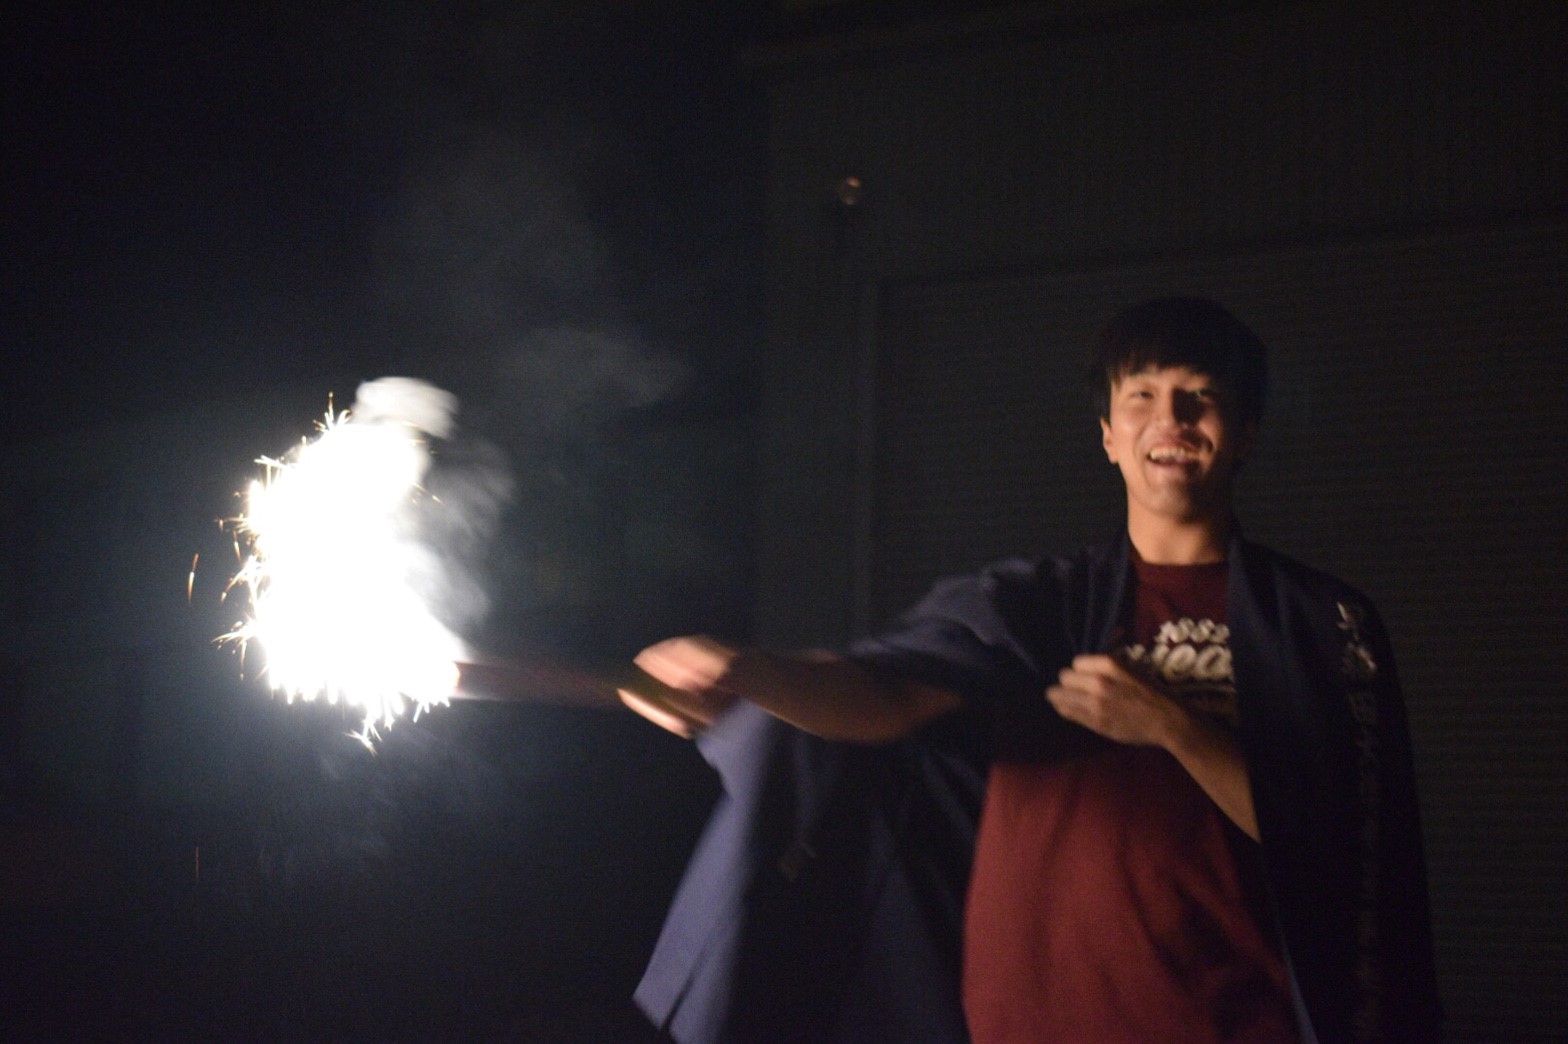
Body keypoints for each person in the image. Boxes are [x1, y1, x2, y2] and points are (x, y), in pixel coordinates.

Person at [621, 297, 1442, 1042]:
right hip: (1033, 1022)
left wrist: (1173, 728)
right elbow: (885, 696)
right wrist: (750, 672)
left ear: (1247, 433)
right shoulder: (1036, 605)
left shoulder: (1321, 623)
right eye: (1142, 395)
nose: (1172, 419)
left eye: (1201, 395)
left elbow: (1336, 835)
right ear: (1109, 436)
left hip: (1236, 1021)